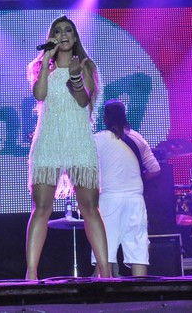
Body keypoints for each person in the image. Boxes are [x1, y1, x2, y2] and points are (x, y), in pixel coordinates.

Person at [25, 15, 111, 280]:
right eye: (58, 31)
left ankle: (105, 272)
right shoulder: (39, 67)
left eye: (68, 31)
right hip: (49, 139)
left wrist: (75, 76)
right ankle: (31, 274)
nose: (63, 34)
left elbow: (84, 101)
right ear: (51, 36)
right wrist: (46, 61)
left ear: (75, 37)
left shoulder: (85, 64)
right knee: (41, 207)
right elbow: (39, 95)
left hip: (78, 139)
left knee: (89, 206)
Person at [92, 100, 161, 277]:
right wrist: (137, 177)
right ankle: (140, 297)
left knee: (105, 254)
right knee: (138, 254)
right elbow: (155, 169)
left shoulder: (98, 139)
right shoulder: (138, 138)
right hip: (135, 200)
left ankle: (103, 299)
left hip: (109, 200)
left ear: (105, 117)